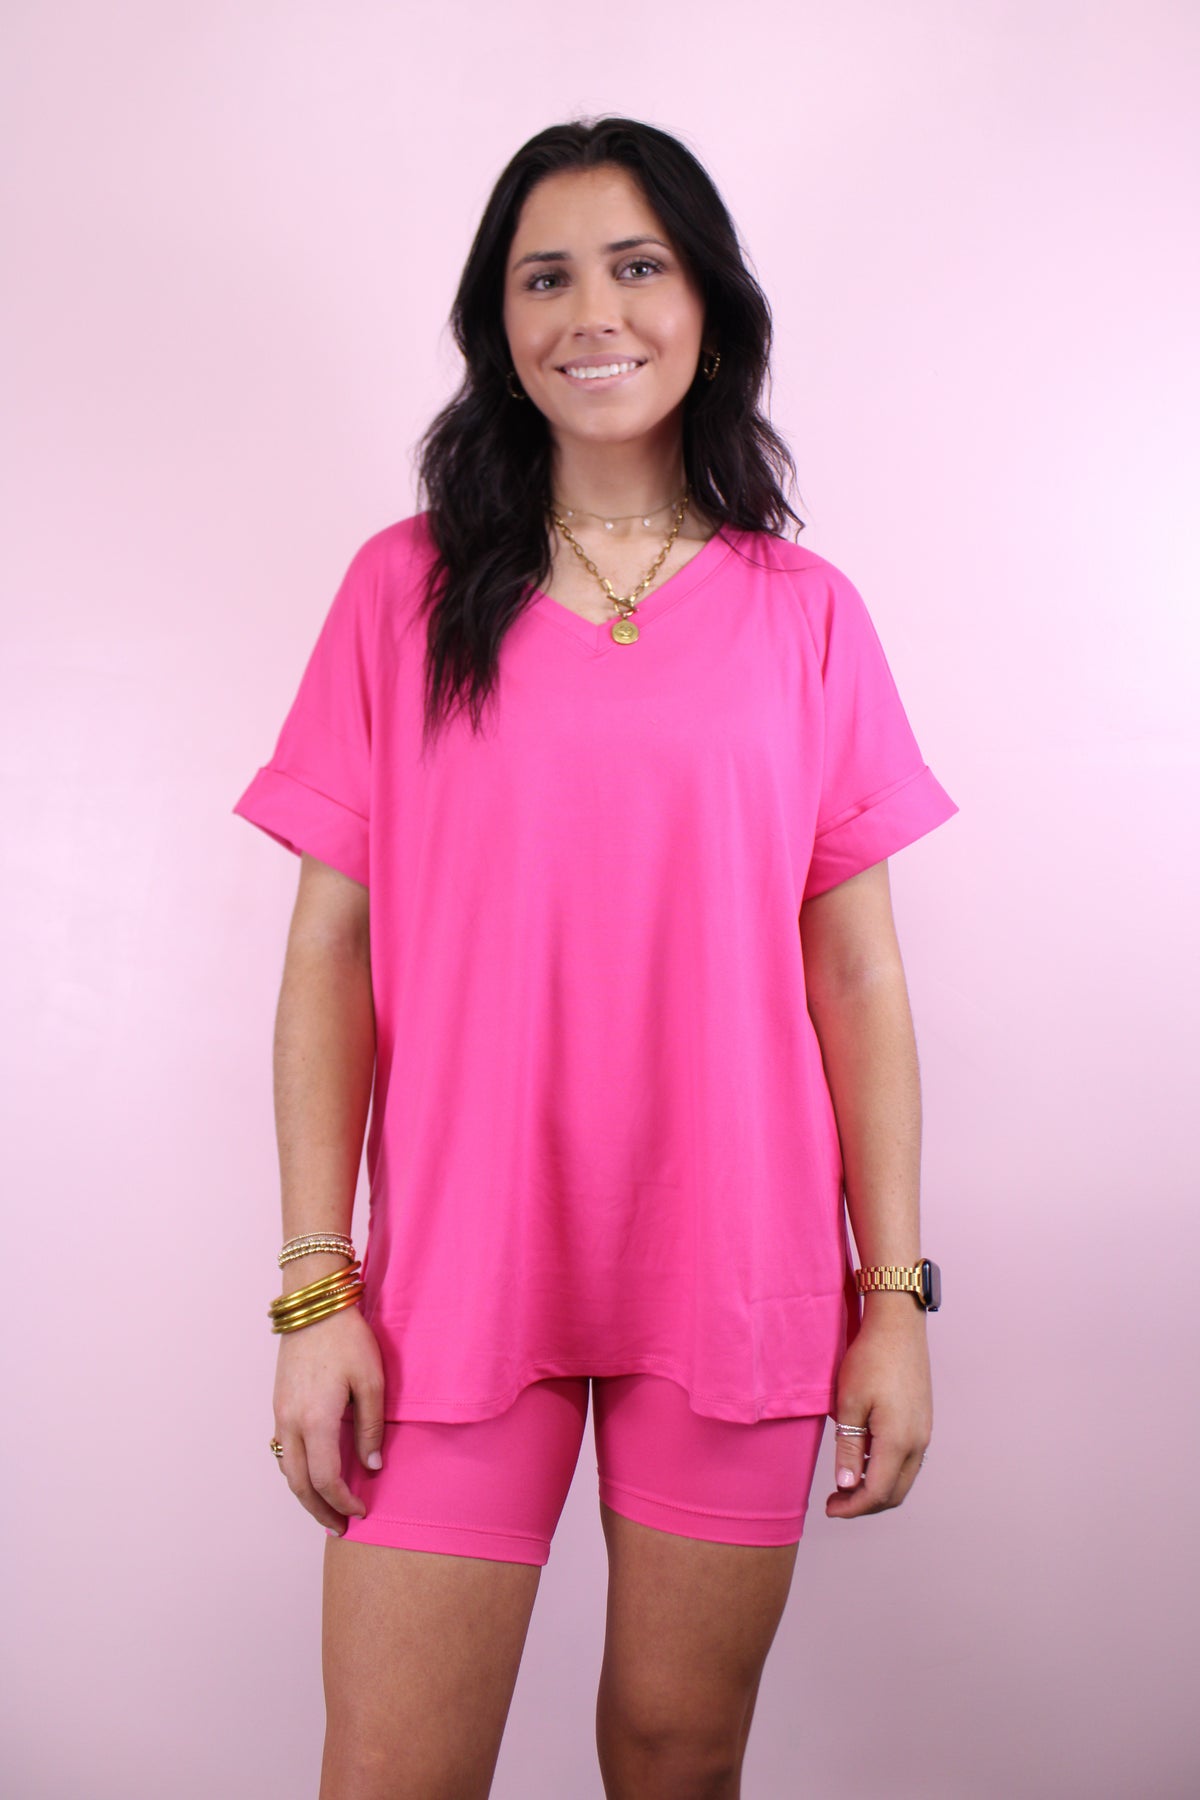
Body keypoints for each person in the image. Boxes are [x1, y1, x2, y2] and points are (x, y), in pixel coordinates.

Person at [233, 115, 958, 1800]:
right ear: (498, 324)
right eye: (543, 277)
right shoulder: (401, 593)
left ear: (708, 304)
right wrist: (315, 1289)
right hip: (454, 1281)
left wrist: (895, 1299)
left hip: (741, 1273)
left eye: (638, 266)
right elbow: (329, 951)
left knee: (677, 1758)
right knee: (394, 1769)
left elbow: (858, 979)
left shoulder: (807, 612)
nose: (593, 313)